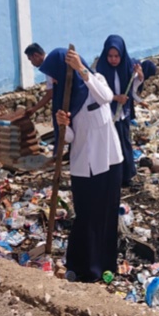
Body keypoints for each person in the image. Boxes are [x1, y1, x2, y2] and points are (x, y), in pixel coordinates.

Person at [40, 47, 123, 283]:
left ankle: (105, 264)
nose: (53, 80)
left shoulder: (96, 80)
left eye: (55, 74)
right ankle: (83, 266)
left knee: (107, 213)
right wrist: (62, 124)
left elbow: (106, 97)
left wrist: (81, 70)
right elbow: (69, 139)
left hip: (110, 160)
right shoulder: (62, 100)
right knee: (86, 216)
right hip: (84, 166)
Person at [95, 35, 141, 187]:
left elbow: (135, 85)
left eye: (116, 56)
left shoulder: (128, 66)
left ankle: (127, 176)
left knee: (125, 142)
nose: (113, 59)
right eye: (110, 56)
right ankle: (112, 177)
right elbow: (98, 92)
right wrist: (115, 98)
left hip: (122, 113)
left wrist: (139, 74)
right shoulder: (100, 70)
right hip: (108, 113)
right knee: (111, 144)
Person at [23, 43, 53, 119]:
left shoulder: (50, 64)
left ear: (36, 55)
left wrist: (34, 109)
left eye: (30, 59)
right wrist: (34, 109)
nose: (31, 63)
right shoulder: (49, 64)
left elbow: (50, 94)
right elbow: (50, 93)